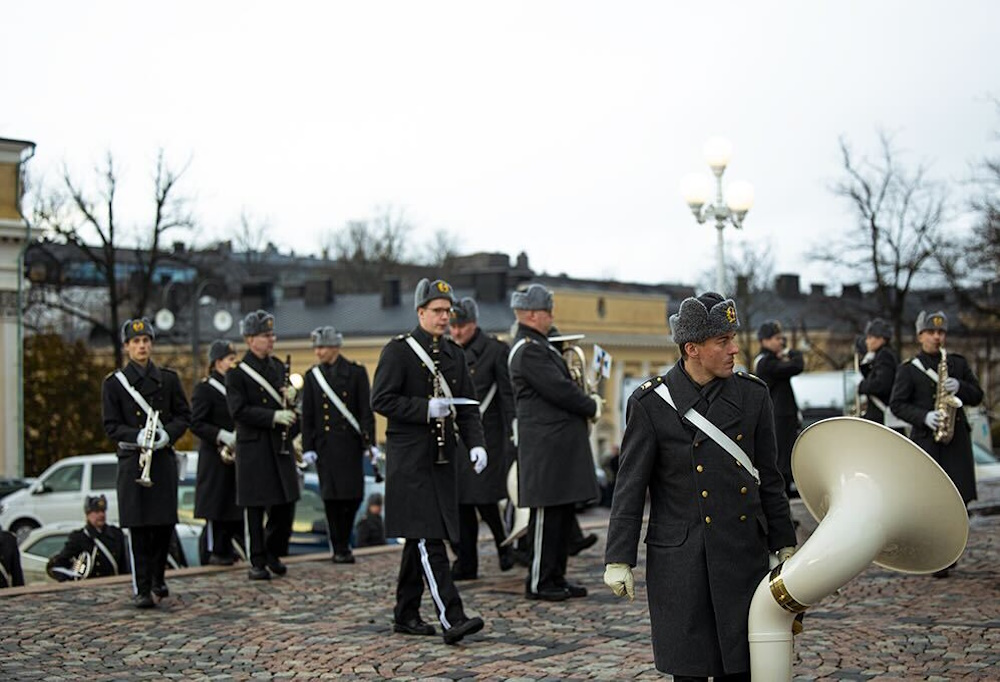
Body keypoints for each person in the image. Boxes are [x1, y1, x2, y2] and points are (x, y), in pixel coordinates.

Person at [604, 292, 797, 681]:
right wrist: (618, 558)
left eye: (733, 338)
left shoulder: (753, 395)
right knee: (689, 670)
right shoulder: (651, 402)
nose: (735, 350)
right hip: (680, 560)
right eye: (723, 341)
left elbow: (770, 478)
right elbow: (629, 484)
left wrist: (784, 544)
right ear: (692, 348)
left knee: (740, 668)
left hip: (742, 554)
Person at [371, 278, 487, 645]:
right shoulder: (399, 351)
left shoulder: (454, 354)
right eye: (436, 311)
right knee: (427, 537)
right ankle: (452, 616)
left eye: (447, 311)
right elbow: (381, 400)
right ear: (420, 312)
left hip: (441, 460)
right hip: (409, 460)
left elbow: (468, 408)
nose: (443, 317)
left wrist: (476, 445)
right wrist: (424, 409)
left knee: (418, 538)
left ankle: (405, 613)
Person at [507, 283, 600, 601]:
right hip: (545, 446)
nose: (551, 316)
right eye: (547, 311)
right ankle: (539, 581)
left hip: (556, 445)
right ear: (532, 314)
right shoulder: (529, 350)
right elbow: (560, 389)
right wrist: (591, 405)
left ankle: (555, 576)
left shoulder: (540, 345)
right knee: (546, 518)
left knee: (560, 516)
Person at [102, 317, 191, 608]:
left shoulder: (168, 379)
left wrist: (168, 435)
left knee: (164, 524)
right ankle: (142, 588)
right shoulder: (115, 385)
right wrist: (138, 434)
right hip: (133, 461)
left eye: (146, 341)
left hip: (162, 459)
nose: (142, 346)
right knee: (139, 527)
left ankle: (158, 577)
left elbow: (183, 415)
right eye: (136, 342)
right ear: (127, 346)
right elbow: (111, 425)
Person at [226, 310, 301, 581]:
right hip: (254, 446)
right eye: (265, 335)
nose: (272, 339)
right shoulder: (237, 374)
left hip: (278, 445)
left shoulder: (278, 367)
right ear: (249, 339)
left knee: (286, 502)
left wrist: (293, 399)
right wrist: (272, 416)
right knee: (255, 507)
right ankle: (257, 559)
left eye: (272, 334)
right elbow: (238, 410)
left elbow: (289, 405)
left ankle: (273, 550)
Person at [889, 310, 983, 521]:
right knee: (927, 499)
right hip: (926, 442)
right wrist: (924, 417)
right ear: (920, 335)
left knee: (959, 499)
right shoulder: (908, 369)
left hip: (956, 441)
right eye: (930, 331)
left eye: (941, 332)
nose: (936, 336)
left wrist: (960, 386)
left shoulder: (957, 363)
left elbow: (977, 395)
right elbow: (897, 404)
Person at [447, 296, 516, 580]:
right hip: (456, 438)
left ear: (473, 324)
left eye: (461, 325)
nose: (456, 331)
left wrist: (514, 431)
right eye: (453, 325)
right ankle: (467, 562)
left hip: (487, 437)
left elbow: (506, 395)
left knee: (484, 500)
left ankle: (504, 545)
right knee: (461, 502)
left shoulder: (495, 350)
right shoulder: (447, 351)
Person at [300, 325, 377, 564]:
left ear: (334, 347)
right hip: (326, 447)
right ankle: (340, 546)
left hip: (351, 445)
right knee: (331, 499)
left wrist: (370, 442)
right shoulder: (313, 377)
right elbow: (308, 415)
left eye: (321, 347)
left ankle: (344, 540)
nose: (318, 352)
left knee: (353, 496)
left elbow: (365, 410)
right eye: (316, 348)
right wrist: (308, 447)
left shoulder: (356, 373)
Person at [190, 340, 244, 566]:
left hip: (237, 457)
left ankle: (232, 550)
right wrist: (221, 435)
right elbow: (197, 423)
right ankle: (217, 551)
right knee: (218, 508)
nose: (233, 364)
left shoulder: (237, 387)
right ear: (217, 363)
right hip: (216, 457)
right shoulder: (205, 389)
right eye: (229, 360)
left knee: (235, 507)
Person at [752, 319, 804, 495]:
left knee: (786, 460)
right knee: (782, 462)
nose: (780, 342)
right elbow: (797, 365)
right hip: (779, 418)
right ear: (764, 340)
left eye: (782, 338)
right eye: (776, 338)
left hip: (783, 417)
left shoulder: (770, 360)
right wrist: (790, 352)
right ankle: (783, 505)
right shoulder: (767, 362)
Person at [47, 494, 129, 581]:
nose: (101, 515)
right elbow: (61, 564)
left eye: (103, 511)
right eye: (97, 512)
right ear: (87, 515)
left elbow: (124, 565)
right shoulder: (79, 538)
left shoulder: (116, 534)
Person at [856, 318, 903, 429]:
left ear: (881, 339)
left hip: (881, 418)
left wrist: (861, 386)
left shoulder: (884, 356)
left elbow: (881, 385)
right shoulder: (883, 355)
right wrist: (866, 365)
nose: (867, 341)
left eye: (870, 337)